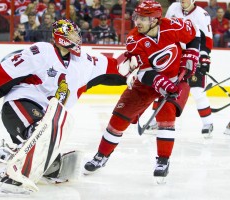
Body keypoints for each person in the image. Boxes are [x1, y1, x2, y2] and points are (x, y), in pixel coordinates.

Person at [0, 19, 125, 194]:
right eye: (72, 35)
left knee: (47, 147)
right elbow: (9, 70)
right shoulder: (42, 51)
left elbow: (115, 68)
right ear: (61, 36)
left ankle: (14, 155)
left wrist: (134, 68)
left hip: (47, 117)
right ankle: (10, 176)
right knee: (39, 130)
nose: (77, 38)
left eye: (77, 34)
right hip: (20, 104)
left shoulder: (85, 62)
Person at [84, 1, 200, 182]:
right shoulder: (133, 39)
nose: (138, 21)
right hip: (144, 85)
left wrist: (192, 53)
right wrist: (159, 81)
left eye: (143, 18)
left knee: (166, 116)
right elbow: (143, 72)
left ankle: (163, 160)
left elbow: (195, 33)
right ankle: (101, 156)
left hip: (174, 79)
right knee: (118, 119)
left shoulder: (173, 26)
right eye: (137, 17)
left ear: (155, 20)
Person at [145, 0, 214, 137]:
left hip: (193, 56)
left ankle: (208, 123)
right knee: (163, 87)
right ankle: (154, 120)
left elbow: (207, 39)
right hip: (175, 55)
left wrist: (204, 58)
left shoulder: (202, 14)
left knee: (197, 90)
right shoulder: (174, 8)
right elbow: (165, 29)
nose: (182, 0)